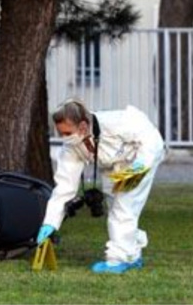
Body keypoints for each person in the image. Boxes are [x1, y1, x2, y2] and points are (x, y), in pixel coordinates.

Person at [36, 98, 166, 273]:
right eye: (61, 134)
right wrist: (50, 222)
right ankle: (132, 254)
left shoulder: (117, 122)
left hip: (142, 155)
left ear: (83, 126)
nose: (64, 138)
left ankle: (118, 259)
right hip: (115, 165)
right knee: (116, 206)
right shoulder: (71, 147)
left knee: (124, 207)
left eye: (67, 133)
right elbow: (64, 187)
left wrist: (138, 168)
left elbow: (150, 139)